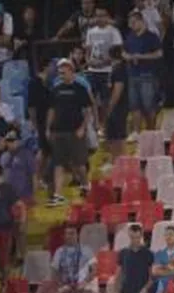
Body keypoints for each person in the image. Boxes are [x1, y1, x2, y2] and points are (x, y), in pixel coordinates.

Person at [46, 59, 94, 206]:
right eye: (59, 73)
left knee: (79, 164)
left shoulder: (80, 89)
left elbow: (88, 110)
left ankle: (85, 185)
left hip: (75, 130)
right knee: (58, 163)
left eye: (64, 72)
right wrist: (48, 127)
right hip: (58, 131)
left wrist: (83, 127)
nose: (61, 75)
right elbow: (52, 110)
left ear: (71, 72)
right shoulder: (56, 89)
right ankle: (58, 194)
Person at [123, 10, 163, 132]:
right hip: (132, 75)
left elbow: (159, 53)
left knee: (148, 105)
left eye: (134, 22)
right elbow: (124, 51)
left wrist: (141, 56)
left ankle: (151, 131)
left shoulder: (151, 37)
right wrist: (127, 56)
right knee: (134, 106)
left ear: (141, 21)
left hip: (147, 75)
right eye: (130, 23)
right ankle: (136, 132)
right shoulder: (130, 37)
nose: (131, 25)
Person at [83, 6, 123, 120]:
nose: (99, 18)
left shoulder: (113, 31)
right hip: (92, 70)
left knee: (106, 100)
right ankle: (93, 123)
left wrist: (103, 62)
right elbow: (88, 50)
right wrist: (88, 61)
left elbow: (117, 52)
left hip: (107, 71)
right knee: (90, 99)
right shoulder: (91, 31)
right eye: (97, 16)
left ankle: (105, 123)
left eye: (102, 16)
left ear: (107, 17)